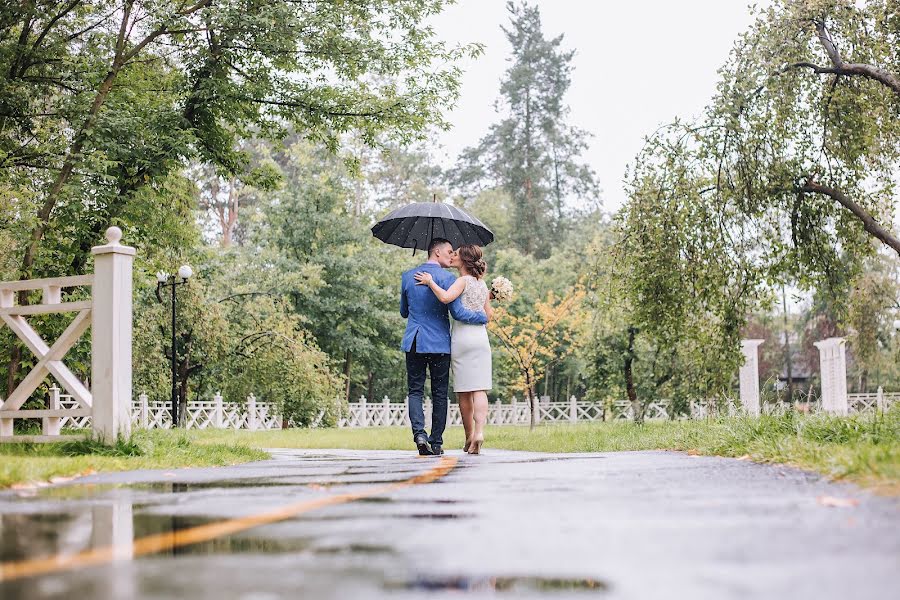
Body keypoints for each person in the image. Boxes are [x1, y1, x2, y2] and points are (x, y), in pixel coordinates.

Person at [400, 238, 488, 456]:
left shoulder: (407, 276)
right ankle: (436, 441)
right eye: (449, 252)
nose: (451, 256)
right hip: (439, 342)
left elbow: (404, 312)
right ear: (437, 253)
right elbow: (458, 312)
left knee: (415, 390)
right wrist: (482, 316)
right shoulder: (448, 279)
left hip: (414, 340)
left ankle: (419, 434)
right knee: (440, 393)